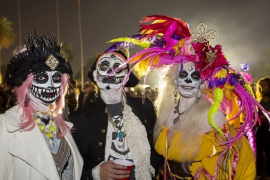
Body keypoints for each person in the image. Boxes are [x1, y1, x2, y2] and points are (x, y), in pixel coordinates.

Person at [114, 15, 270, 179]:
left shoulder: (211, 115)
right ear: (174, 80)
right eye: (183, 74)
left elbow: (236, 158)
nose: (188, 80)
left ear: (202, 83)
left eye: (194, 76)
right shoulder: (165, 111)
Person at [0, 31, 83, 180]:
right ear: (25, 84)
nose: (51, 85)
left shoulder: (62, 125)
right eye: (41, 78)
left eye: (57, 78)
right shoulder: (7, 126)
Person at [69, 49, 161, 179]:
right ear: (95, 75)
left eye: (118, 68)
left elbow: (158, 145)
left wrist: (150, 167)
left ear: (126, 77)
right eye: (104, 66)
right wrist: (95, 173)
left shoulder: (145, 107)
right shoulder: (79, 119)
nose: (110, 72)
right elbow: (71, 167)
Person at [256, 77, 270, 180]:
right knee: (262, 150)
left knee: (264, 150)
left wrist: (258, 117)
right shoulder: (262, 98)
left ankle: (264, 174)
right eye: (260, 85)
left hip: (266, 128)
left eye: (264, 85)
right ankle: (263, 174)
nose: (262, 88)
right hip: (263, 127)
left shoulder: (267, 98)